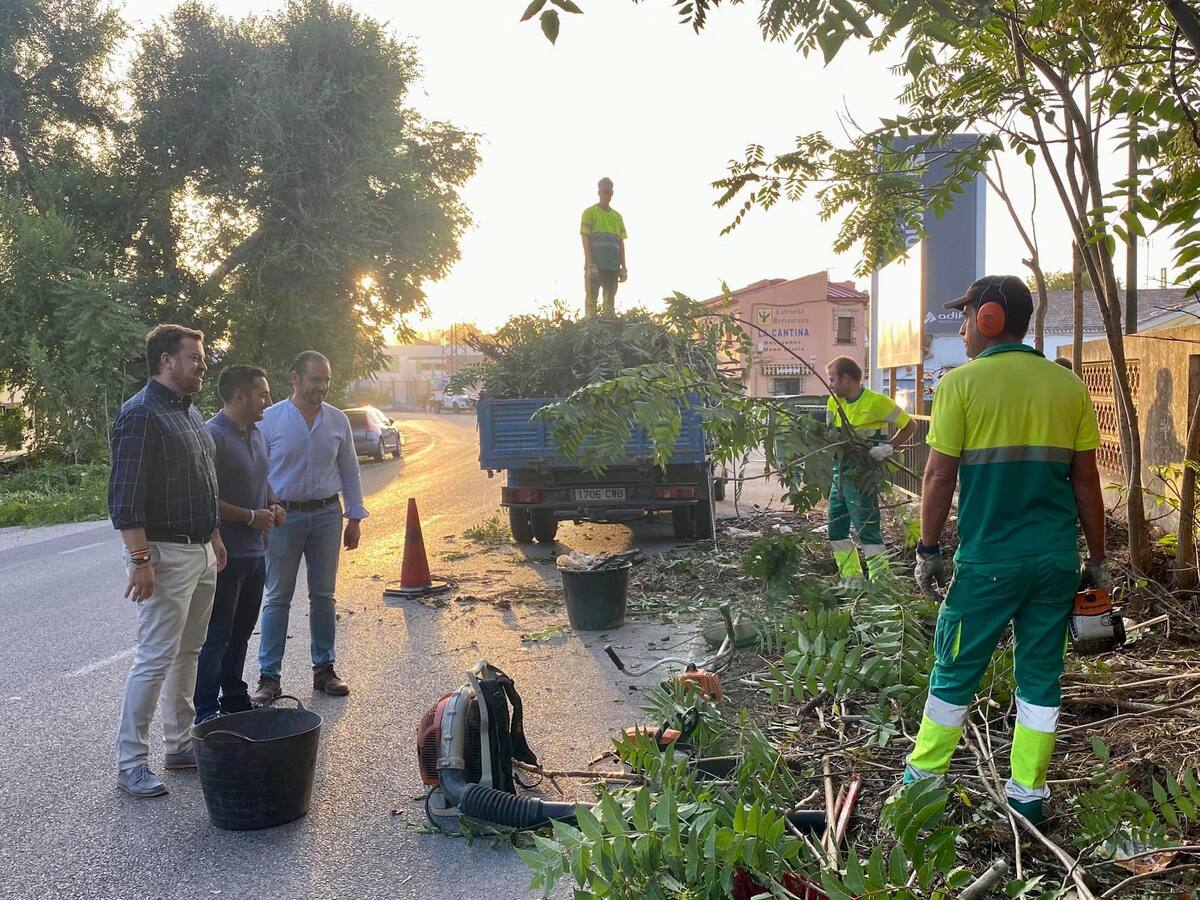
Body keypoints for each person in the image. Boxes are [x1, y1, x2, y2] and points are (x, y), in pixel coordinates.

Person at [907, 275, 1106, 826]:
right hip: (1054, 564)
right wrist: (1097, 560)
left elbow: (937, 477)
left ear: (989, 318)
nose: (963, 329)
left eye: (966, 317)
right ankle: (1027, 796)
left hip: (988, 564)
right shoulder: (1068, 387)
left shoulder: (960, 385)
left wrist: (928, 549)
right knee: (1040, 678)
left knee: (955, 669)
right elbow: (1087, 483)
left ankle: (921, 787)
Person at [108, 324, 227, 798]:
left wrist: (214, 537)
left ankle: (179, 745)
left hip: (200, 551)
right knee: (155, 657)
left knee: (188, 651)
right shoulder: (140, 414)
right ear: (166, 361)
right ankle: (131, 763)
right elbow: (124, 498)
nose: (203, 365)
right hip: (164, 553)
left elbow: (202, 481)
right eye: (194, 357)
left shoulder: (188, 410)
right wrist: (140, 559)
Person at [252, 351, 367, 701]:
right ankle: (269, 677)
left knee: (323, 596)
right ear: (296, 378)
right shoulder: (270, 419)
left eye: (326, 380)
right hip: (283, 518)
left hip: (327, 515)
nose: (322, 386)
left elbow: (349, 470)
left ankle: (324, 670)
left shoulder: (337, 420)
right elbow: (257, 470)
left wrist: (354, 517)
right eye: (316, 380)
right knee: (277, 597)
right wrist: (263, 513)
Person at [193, 366, 285, 724]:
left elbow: (260, 479)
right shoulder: (212, 436)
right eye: (262, 394)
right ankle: (206, 711)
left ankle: (233, 697)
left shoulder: (256, 433)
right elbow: (205, 499)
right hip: (225, 555)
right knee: (218, 634)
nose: (269, 401)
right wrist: (249, 517)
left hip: (255, 553)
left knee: (242, 632)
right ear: (239, 396)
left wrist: (273, 503)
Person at [824, 356, 917, 580]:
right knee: (836, 529)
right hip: (840, 474)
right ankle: (851, 579)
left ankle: (881, 581)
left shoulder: (877, 402)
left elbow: (910, 425)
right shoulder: (834, 403)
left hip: (863, 476)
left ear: (846, 378)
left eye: (832, 379)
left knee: (867, 530)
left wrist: (888, 447)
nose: (830, 384)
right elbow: (830, 435)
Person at [580, 176, 628, 318]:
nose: (606, 195)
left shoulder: (617, 217)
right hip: (595, 265)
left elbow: (621, 243)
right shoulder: (589, 213)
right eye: (603, 192)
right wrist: (590, 263)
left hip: (612, 267)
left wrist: (623, 267)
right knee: (591, 301)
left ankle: (608, 328)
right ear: (599, 192)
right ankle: (590, 325)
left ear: (612, 193)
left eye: (608, 192)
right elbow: (585, 238)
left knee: (609, 305)